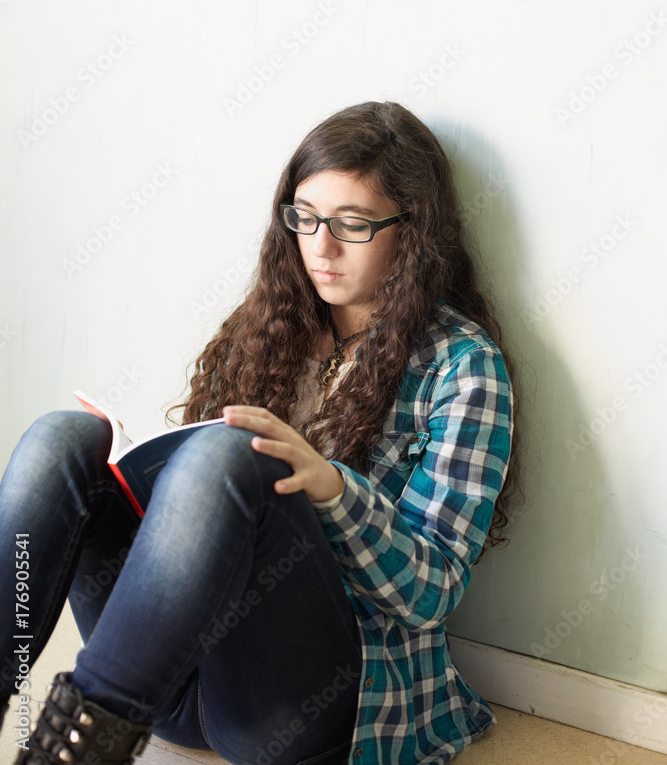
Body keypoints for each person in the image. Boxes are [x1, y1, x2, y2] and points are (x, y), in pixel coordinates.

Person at [0, 100, 519, 765]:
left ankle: (76, 751)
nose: (319, 248)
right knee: (62, 438)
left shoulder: (463, 368)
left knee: (229, 450)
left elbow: (433, 588)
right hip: (181, 686)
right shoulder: (273, 322)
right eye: (303, 219)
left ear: (412, 231)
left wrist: (332, 488)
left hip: (311, 704)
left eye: (351, 225)